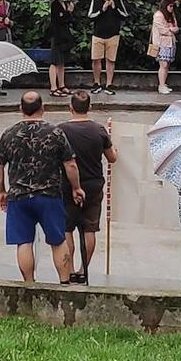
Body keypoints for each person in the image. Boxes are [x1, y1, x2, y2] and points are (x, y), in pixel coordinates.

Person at [0, 91, 85, 283]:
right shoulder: (55, 132)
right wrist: (76, 187)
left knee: (24, 242)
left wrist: (1, 191)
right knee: (58, 240)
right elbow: (70, 164)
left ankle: (29, 283)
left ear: (20, 109)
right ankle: (64, 282)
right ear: (43, 108)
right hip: (49, 195)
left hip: (19, 196)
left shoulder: (9, 134)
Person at [60, 90, 117, 284]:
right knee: (89, 229)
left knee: (67, 228)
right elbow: (112, 158)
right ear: (89, 107)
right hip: (93, 185)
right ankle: (83, 269)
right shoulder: (99, 130)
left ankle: (67, 270)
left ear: (70, 107)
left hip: (67, 185)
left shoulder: (61, 130)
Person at [87, 0, 129, 95]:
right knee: (96, 59)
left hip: (113, 35)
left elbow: (125, 15)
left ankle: (109, 84)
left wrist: (114, 8)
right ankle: (97, 83)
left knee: (110, 60)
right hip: (98, 35)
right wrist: (102, 9)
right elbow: (90, 16)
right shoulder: (95, 1)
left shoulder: (117, 0)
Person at [48, 0, 75, 98]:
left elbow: (69, 20)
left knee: (61, 62)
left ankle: (62, 85)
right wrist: (68, 12)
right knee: (54, 61)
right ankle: (53, 87)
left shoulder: (65, 3)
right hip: (57, 36)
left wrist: (69, 11)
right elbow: (59, 19)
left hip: (64, 37)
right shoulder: (55, 4)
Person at [151, 0, 179, 94]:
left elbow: (176, 27)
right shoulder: (158, 15)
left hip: (170, 42)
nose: (171, 8)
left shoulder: (171, 16)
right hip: (161, 43)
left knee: (167, 65)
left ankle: (164, 83)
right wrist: (171, 30)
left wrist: (172, 29)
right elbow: (162, 29)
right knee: (163, 64)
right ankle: (161, 85)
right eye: (170, 6)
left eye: (172, 6)